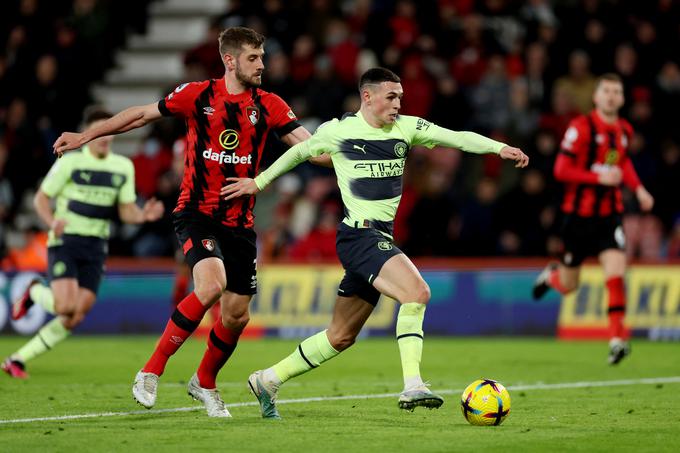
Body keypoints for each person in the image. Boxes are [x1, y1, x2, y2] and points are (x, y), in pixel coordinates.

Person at [51, 27, 328, 418]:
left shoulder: (270, 104)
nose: (262, 65)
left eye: (262, 57)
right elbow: (140, 116)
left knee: (237, 315)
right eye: (254, 58)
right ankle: (151, 371)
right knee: (210, 285)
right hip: (196, 213)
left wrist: (356, 153)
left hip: (240, 224)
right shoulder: (198, 95)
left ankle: (205, 382)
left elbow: (310, 147)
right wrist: (86, 135)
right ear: (230, 60)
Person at [222, 67, 529, 419]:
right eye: (391, 96)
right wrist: (258, 183)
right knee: (417, 293)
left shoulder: (408, 127)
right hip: (359, 235)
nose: (398, 104)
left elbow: (456, 137)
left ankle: (267, 380)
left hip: (378, 237)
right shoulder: (339, 131)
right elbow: (298, 153)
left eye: (400, 97)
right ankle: (413, 383)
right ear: (367, 97)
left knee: (340, 336)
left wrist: (499, 147)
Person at [2, 108, 164, 379]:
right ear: (89, 133)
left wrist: (143, 215)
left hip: (96, 246)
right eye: (99, 132)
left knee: (75, 316)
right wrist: (51, 221)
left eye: (108, 132)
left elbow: (125, 212)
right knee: (65, 306)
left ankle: (17, 359)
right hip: (66, 240)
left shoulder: (122, 167)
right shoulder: (70, 163)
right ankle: (34, 292)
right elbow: (40, 199)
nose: (104, 138)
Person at [532, 73, 654, 365]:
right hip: (577, 218)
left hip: (609, 216)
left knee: (615, 275)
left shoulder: (624, 130)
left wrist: (639, 189)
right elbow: (561, 170)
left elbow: (621, 163)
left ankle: (616, 339)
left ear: (622, 99)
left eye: (616, 92)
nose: (611, 96)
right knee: (571, 285)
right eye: (606, 91)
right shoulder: (580, 128)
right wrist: (597, 176)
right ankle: (553, 276)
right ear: (596, 97)